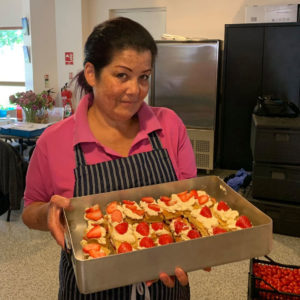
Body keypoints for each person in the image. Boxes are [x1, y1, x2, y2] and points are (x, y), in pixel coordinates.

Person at [22, 17, 197, 300]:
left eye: (144, 77)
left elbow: (188, 199)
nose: (135, 90)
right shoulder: (54, 141)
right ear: (91, 73)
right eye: (122, 75)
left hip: (164, 281)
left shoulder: (169, 126)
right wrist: (49, 214)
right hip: (90, 287)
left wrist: (194, 248)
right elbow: (31, 209)